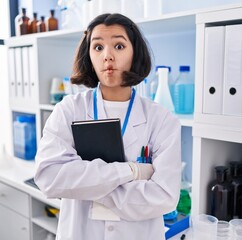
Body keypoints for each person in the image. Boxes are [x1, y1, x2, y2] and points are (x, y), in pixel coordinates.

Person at [34, 13, 182, 240]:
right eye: (98, 47)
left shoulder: (162, 119)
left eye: (119, 46)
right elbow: (49, 177)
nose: (108, 56)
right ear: (89, 54)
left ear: (135, 52)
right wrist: (131, 171)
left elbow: (164, 196)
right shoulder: (68, 109)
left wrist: (86, 185)